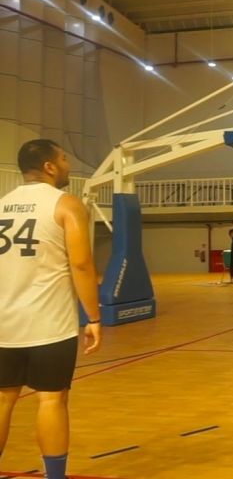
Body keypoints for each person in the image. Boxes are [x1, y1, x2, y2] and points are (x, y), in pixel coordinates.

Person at [0, 139, 102, 479]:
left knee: (3, 399)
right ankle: (54, 476)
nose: (67, 165)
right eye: (63, 159)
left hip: (3, 323)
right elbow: (82, 264)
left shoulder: (2, 204)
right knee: (51, 400)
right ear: (49, 166)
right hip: (49, 324)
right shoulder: (66, 204)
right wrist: (94, 317)